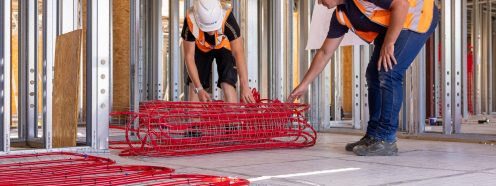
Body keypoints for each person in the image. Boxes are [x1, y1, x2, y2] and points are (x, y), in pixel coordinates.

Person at [288, 0, 439, 156]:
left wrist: (390, 42)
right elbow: (325, 52)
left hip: (417, 16)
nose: (319, 3)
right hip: (396, 22)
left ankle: (386, 139)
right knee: (373, 75)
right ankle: (374, 136)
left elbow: (401, 5)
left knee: (389, 72)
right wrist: (304, 84)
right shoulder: (341, 15)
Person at [182, 0, 255, 103]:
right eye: (207, 29)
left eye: (214, 28)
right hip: (200, 47)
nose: (211, 32)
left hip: (224, 45)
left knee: (228, 84)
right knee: (194, 91)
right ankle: (194, 119)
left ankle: (231, 118)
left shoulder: (227, 18)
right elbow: (189, 57)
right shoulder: (190, 21)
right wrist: (199, 89)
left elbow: (238, 53)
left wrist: (245, 86)